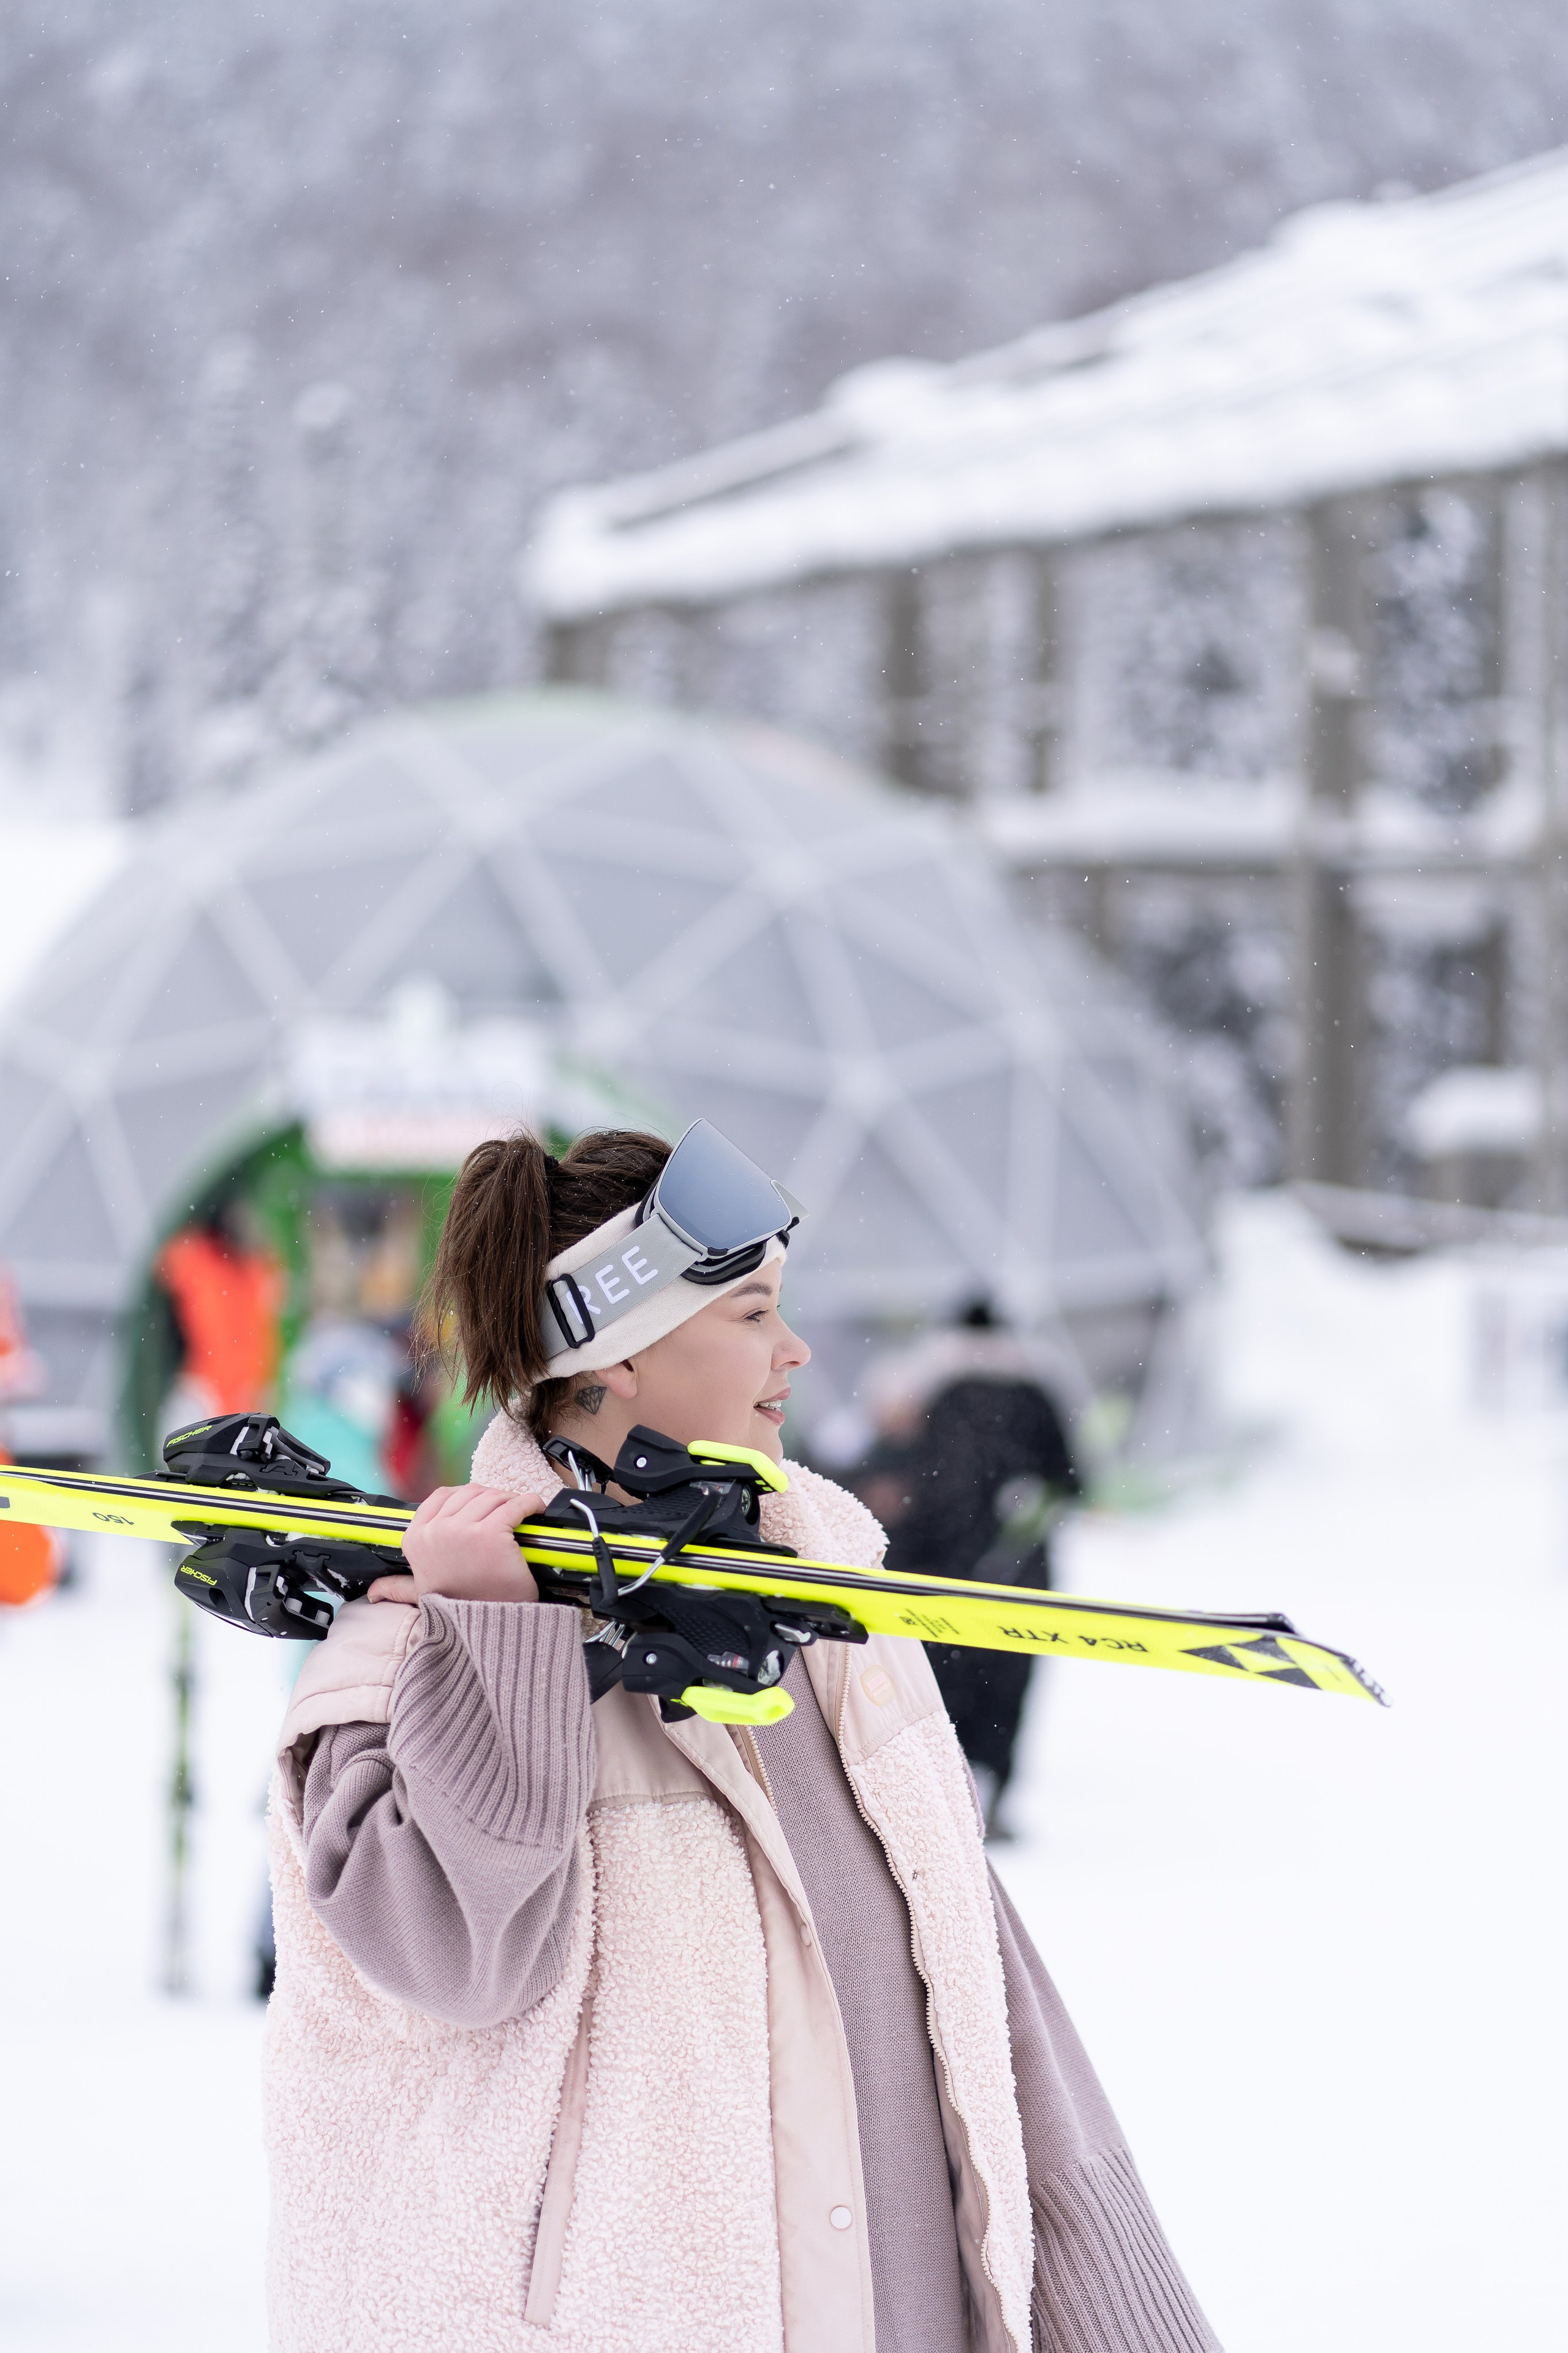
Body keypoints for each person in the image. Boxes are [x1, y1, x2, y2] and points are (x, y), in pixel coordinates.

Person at [263, 1122, 1218, 2353]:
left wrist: (1102, 2300)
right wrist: (503, 1641)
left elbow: (980, 2001)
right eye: (751, 1312)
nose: (794, 1349)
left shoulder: (823, 1612)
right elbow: (454, 1956)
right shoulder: (400, 1657)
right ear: (610, 1357)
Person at [894, 1302, 1083, 1835]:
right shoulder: (1035, 1392)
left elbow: (906, 1482)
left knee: (937, 1688)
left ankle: (941, 1802)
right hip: (1015, 1575)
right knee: (1003, 1689)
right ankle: (989, 1798)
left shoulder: (935, 1392)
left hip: (940, 1576)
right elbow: (1072, 1479)